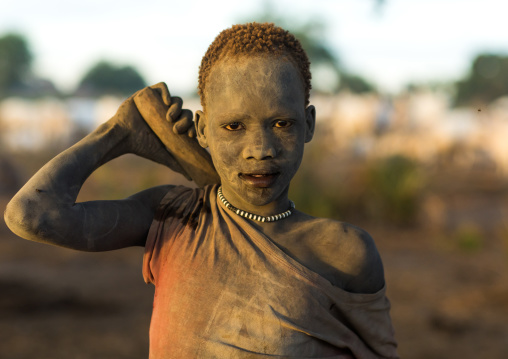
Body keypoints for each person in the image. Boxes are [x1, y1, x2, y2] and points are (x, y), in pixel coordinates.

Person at [4, 23, 398, 358]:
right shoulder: (173, 216)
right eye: (232, 127)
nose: (260, 149)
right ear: (203, 129)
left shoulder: (345, 252)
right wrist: (120, 131)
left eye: (281, 124)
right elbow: (31, 215)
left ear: (308, 124)